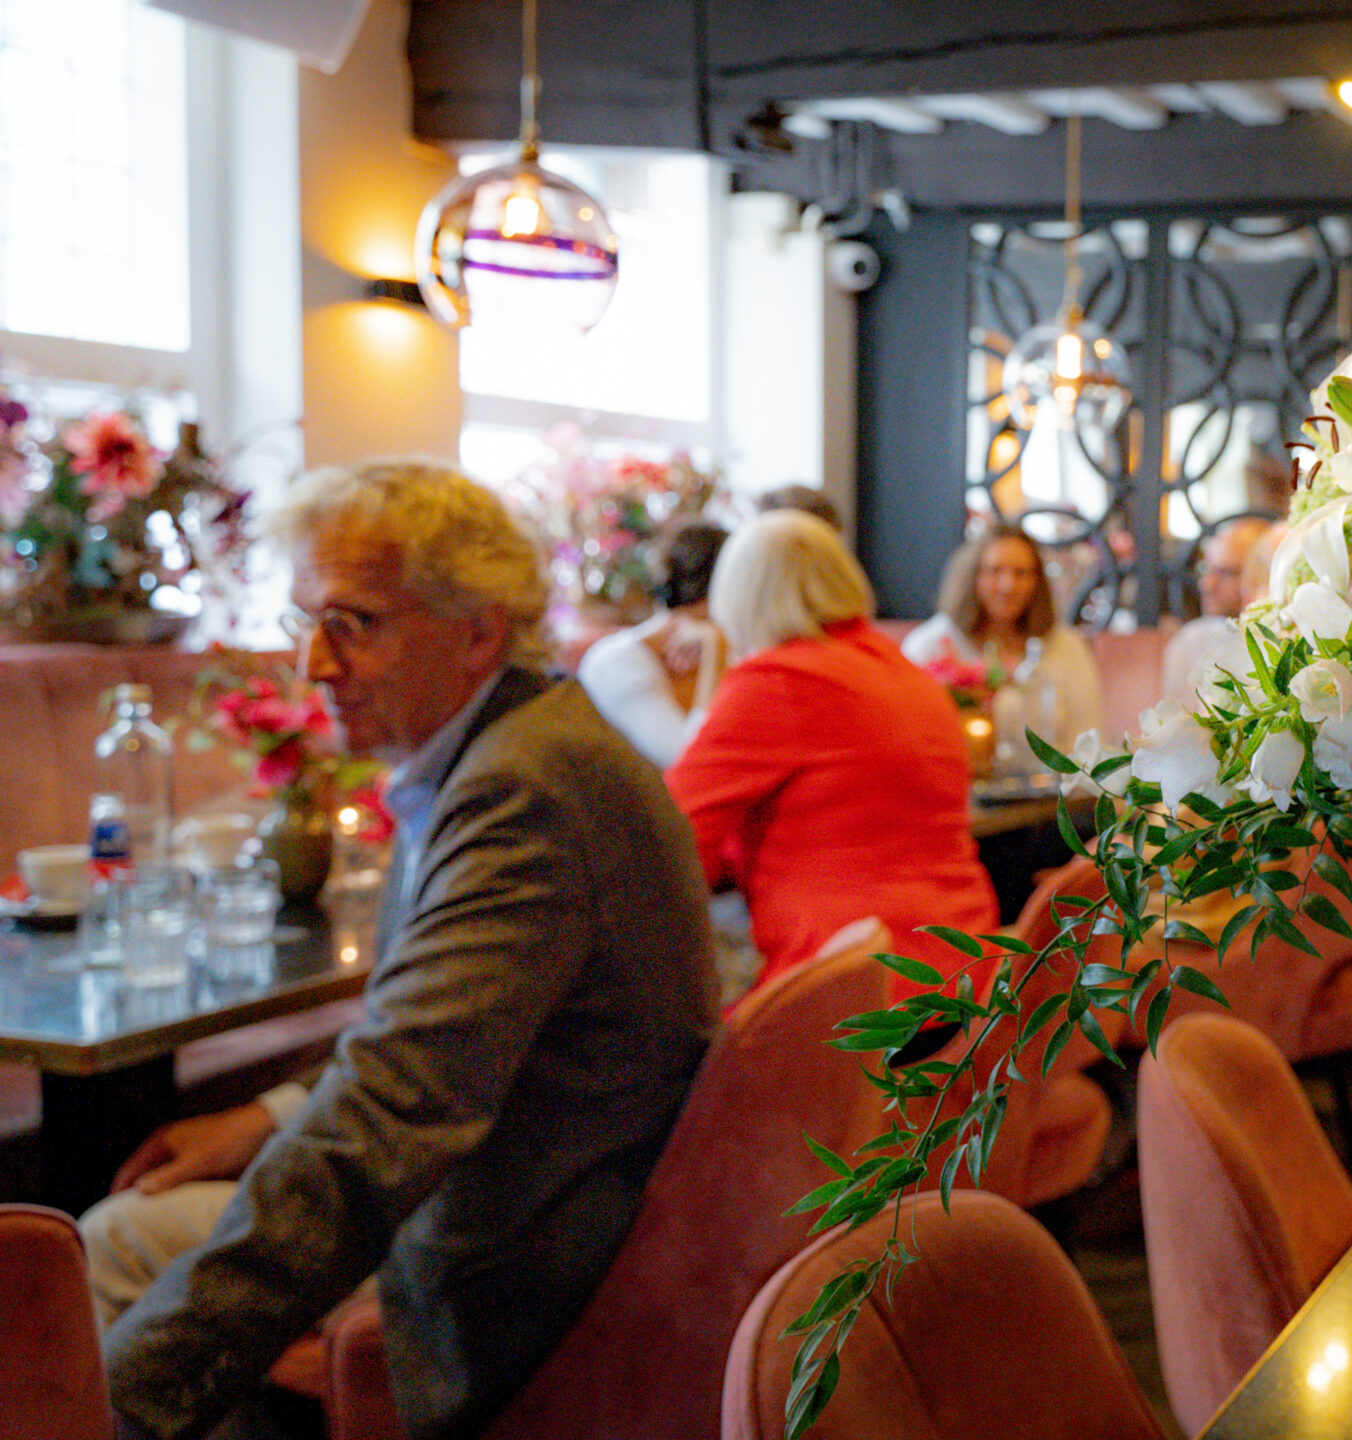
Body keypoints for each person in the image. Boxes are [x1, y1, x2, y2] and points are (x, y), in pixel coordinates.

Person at [90, 460, 719, 1440]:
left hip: (515, 1268)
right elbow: (440, 1041)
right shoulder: (513, 746)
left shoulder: (525, 789)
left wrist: (136, 1401)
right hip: (551, 1207)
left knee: (106, 1247)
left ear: (476, 633)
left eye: (357, 623)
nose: (314, 666)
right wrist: (264, 1111)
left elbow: (395, 1112)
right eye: (308, 622)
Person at [667, 511, 998, 994]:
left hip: (849, 999)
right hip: (963, 981)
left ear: (738, 599)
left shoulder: (776, 682)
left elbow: (670, 844)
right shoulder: (906, 673)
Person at [901, 522, 1103, 750]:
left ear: (1038, 581)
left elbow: (1088, 740)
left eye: (1021, 573)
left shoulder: (1067, 645)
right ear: (972, 575)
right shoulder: (928, 645)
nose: (1008, 585)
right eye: (995, 571)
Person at [577, 521, 729, 768]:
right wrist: (715, 649)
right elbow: (692, 763)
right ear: (713, 599)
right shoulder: (618, 663)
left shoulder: (699, 652)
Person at [1162, 516, 1273, 702]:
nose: (1207, 584)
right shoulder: (1190, 642)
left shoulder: (1285, 643)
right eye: (1206, 569)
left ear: (1262, 575)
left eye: (1226, 573)